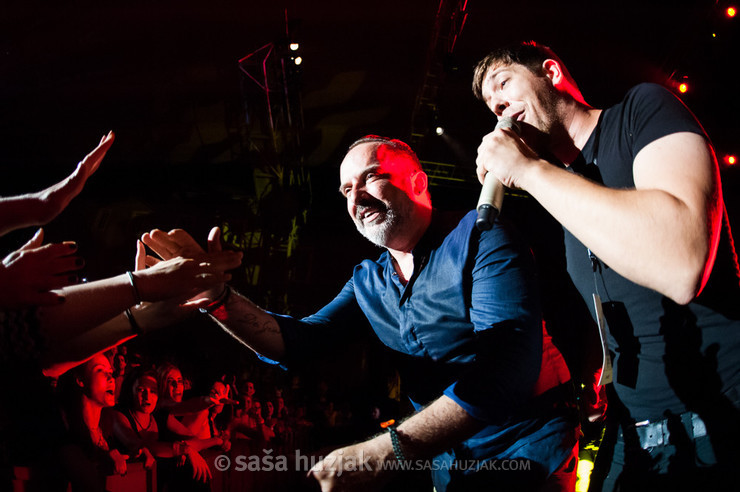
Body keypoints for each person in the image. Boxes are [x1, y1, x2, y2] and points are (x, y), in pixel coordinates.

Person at [141, 136, 580, 491]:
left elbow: (506, 370)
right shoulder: (368, 281)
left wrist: (385, 451)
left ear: (419, 183)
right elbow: (297, 344)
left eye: (372, 178)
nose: (358, 197)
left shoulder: (482, 239)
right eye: (347, 190)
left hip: (525, 448)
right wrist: (217, 299)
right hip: (449, 460)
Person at [472, 41, 740, 490]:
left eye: (504, 85)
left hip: (720, 419)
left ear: (551, 74)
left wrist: (530, 172)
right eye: (490, 104)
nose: (498, 105)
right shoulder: (567, 192)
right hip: (631, 433)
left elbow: (682, 261)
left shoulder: (642, 111)